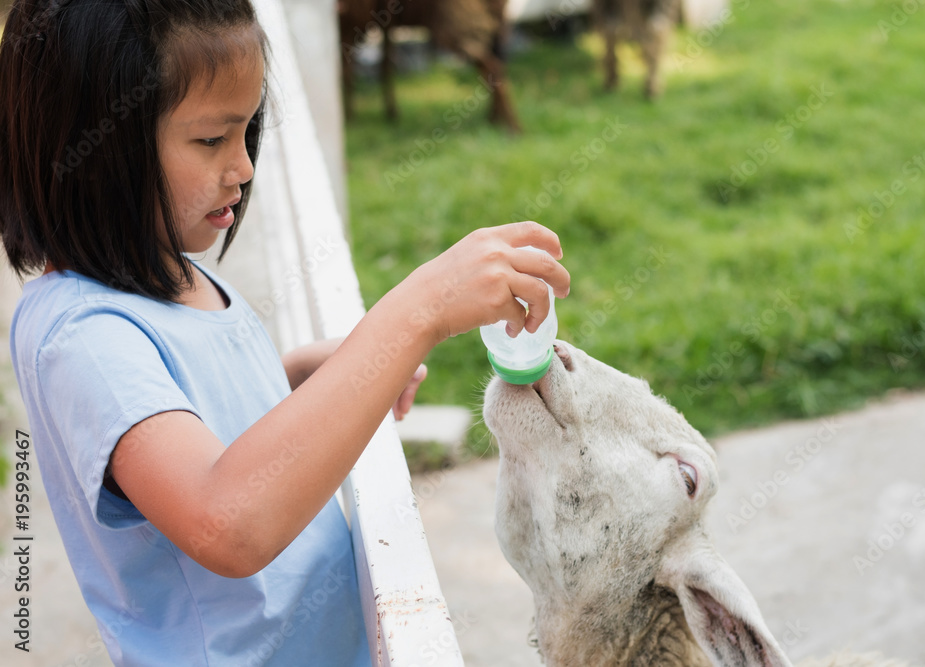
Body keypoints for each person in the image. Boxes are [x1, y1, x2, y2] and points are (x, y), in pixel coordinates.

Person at [0, 1, 570, 665]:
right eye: (211, 140)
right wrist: (416, 311)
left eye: (247, 132)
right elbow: (227, 519)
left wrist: (307, 376)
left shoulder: (170, 274)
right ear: (93, 147)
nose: (242, 167)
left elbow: (201, 413)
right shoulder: (82, 337)